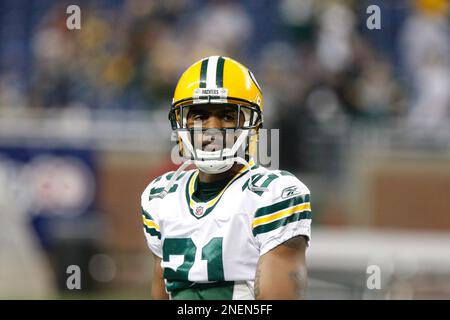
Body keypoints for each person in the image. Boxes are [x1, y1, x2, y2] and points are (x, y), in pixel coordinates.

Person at [141, 56, 312, 300]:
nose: (212, 129)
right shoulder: (161, 196)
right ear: (180, 124)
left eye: (228, 116)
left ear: (253, 126)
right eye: (199, 116)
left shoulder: (272, 195)